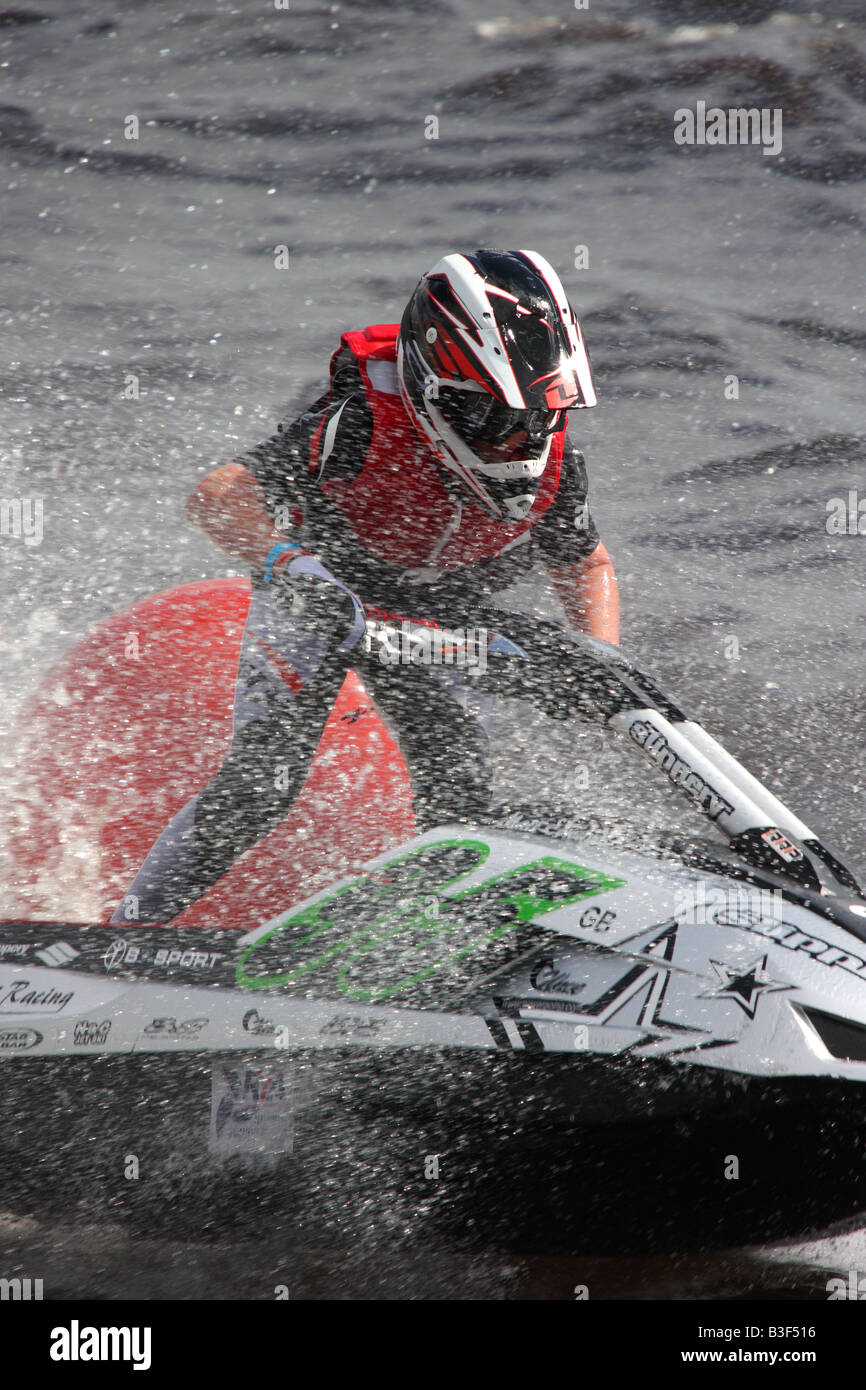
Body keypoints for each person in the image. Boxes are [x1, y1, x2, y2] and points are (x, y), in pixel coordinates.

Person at [112, 248, 619, 924]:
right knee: (262, 786)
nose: (520, 441)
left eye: (537, 418)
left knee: (460, 801)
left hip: (438, 619)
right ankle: (126, 937)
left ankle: (446, 948)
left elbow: (586, 565)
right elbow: (219, 497)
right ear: (440, 394)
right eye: (501, 422)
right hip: (323, 599)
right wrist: (292, 567)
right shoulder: (358, 424)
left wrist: (598, 658)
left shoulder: (555, 458)